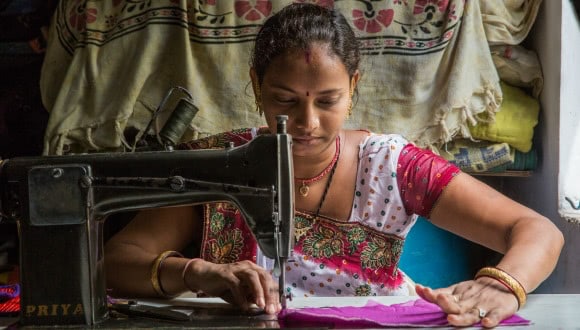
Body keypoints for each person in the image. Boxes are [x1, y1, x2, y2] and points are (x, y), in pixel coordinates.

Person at [104, 3, 564, 328]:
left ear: (354, 87)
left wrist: (504, 285)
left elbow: (537, 230)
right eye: (285, 100)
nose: (307, 123)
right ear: (256, 86)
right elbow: (116, 263)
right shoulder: (216, 167)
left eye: (328, 101)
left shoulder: (393, 166)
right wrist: (200, 273)